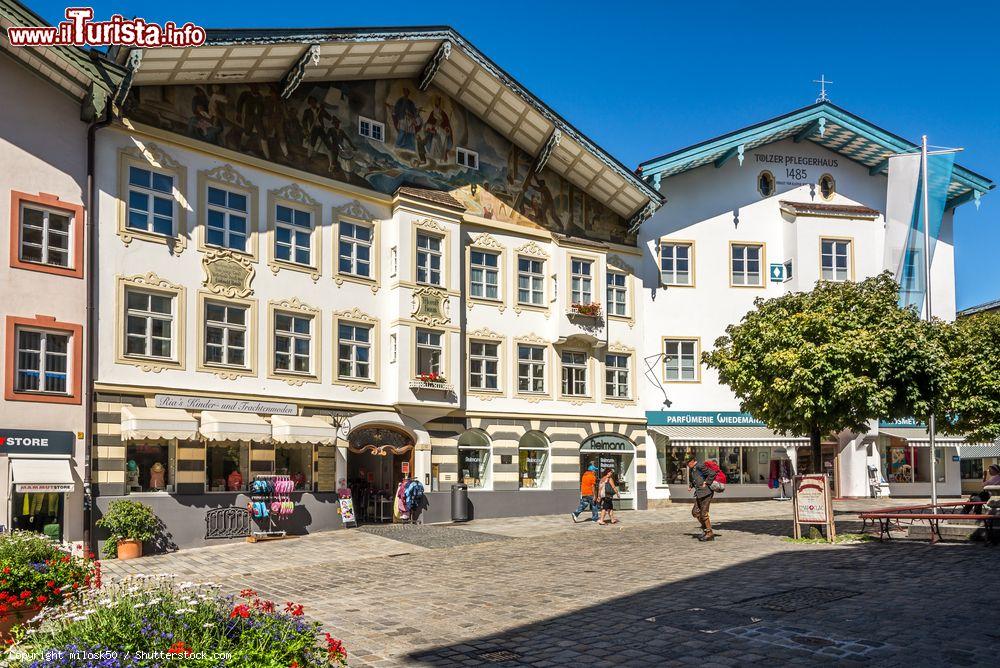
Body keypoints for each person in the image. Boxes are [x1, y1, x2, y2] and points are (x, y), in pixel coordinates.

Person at [686, 456, 717, 541]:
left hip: (707, 493)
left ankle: (709, 533)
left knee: (704, 514)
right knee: (695, 512)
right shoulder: (692, 469)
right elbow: (694, 479)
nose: (687, 465)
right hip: (699, 493)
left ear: (692, 461)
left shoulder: (700, 466)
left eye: (688, 463)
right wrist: (691, 486)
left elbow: (712, 473)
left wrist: (706, 482)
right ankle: (705, 529)